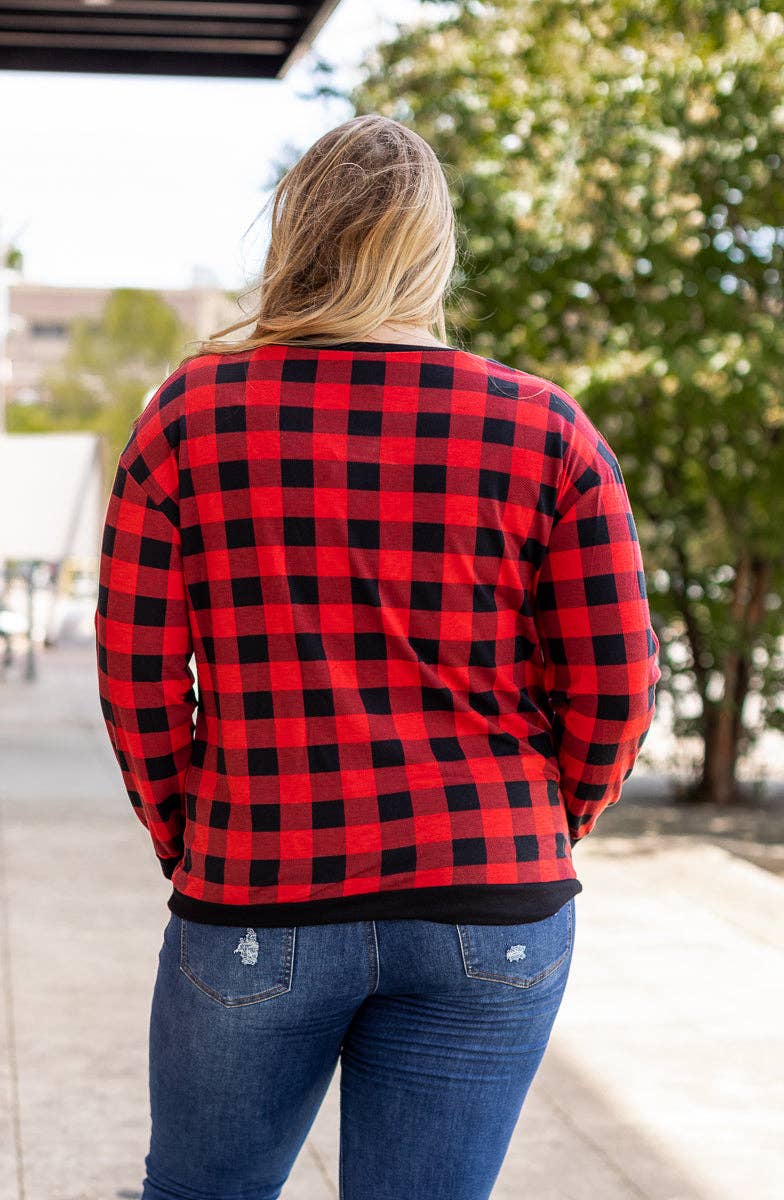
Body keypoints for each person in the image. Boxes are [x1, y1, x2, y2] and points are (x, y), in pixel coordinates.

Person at [94, 113, 661, 1200]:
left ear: (293, 237)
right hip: (489, 896)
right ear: (432, 250)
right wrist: (536, 827)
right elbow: (617, 690)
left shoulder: (190, 417)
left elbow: (136, 684)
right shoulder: (546, 431)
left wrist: (199, 843)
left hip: (259, 893)